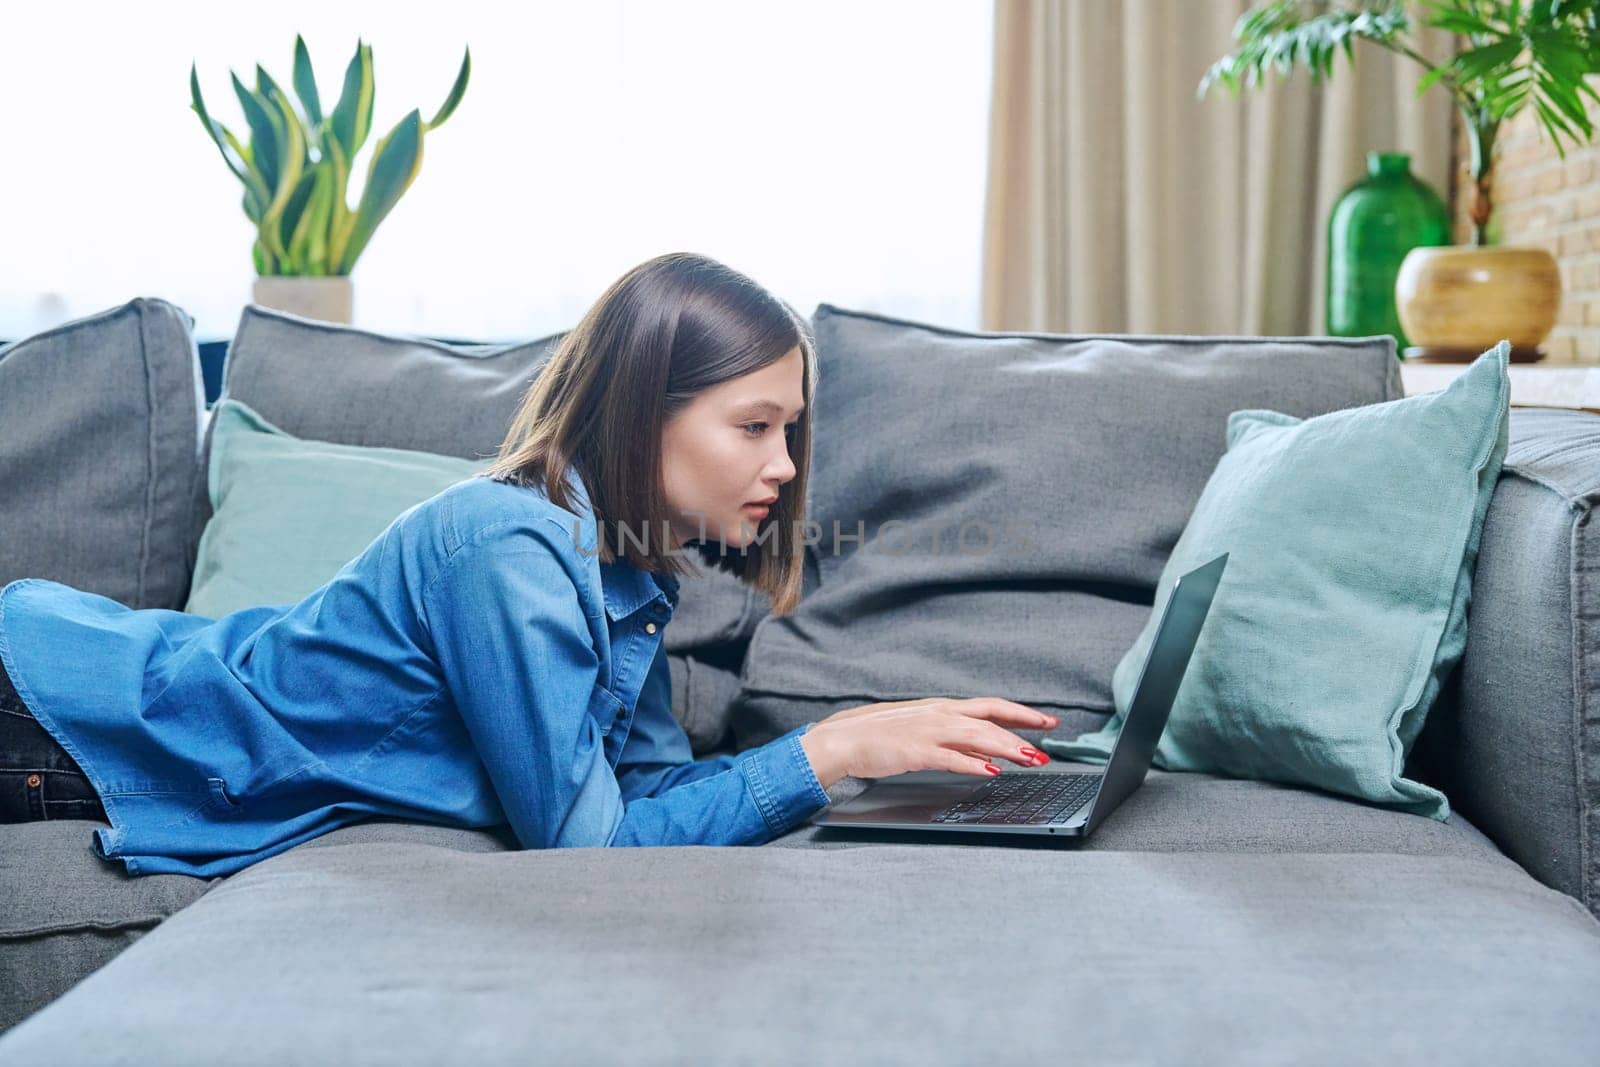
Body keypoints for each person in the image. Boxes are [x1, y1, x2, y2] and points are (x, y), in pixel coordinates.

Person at [0, 252, 1056, 879]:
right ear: (648, 410)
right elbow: (588, 855)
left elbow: (639, 795)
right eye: (754, 425)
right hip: (57, 711)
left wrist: (859, 753)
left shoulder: (628, 579)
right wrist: (824, 750)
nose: (783, 464)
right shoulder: (511, 549)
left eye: (792, 429)